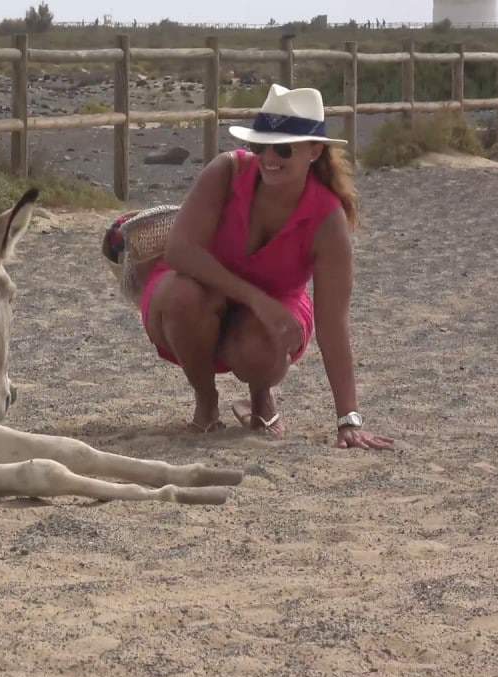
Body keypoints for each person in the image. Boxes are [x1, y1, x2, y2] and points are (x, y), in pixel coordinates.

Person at [139, 84, 392, 450]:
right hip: (202, 292)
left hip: (274, 310)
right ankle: (206, 402)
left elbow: (334, 323)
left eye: (284, 148)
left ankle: (261, 397)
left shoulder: (327, 220)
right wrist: (256, 299)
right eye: (261, 146)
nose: (269, 158)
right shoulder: (227, 172)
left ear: (313, 151)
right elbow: (179, 251)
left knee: (263, 345)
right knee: (183, 296)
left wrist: (348, 419)